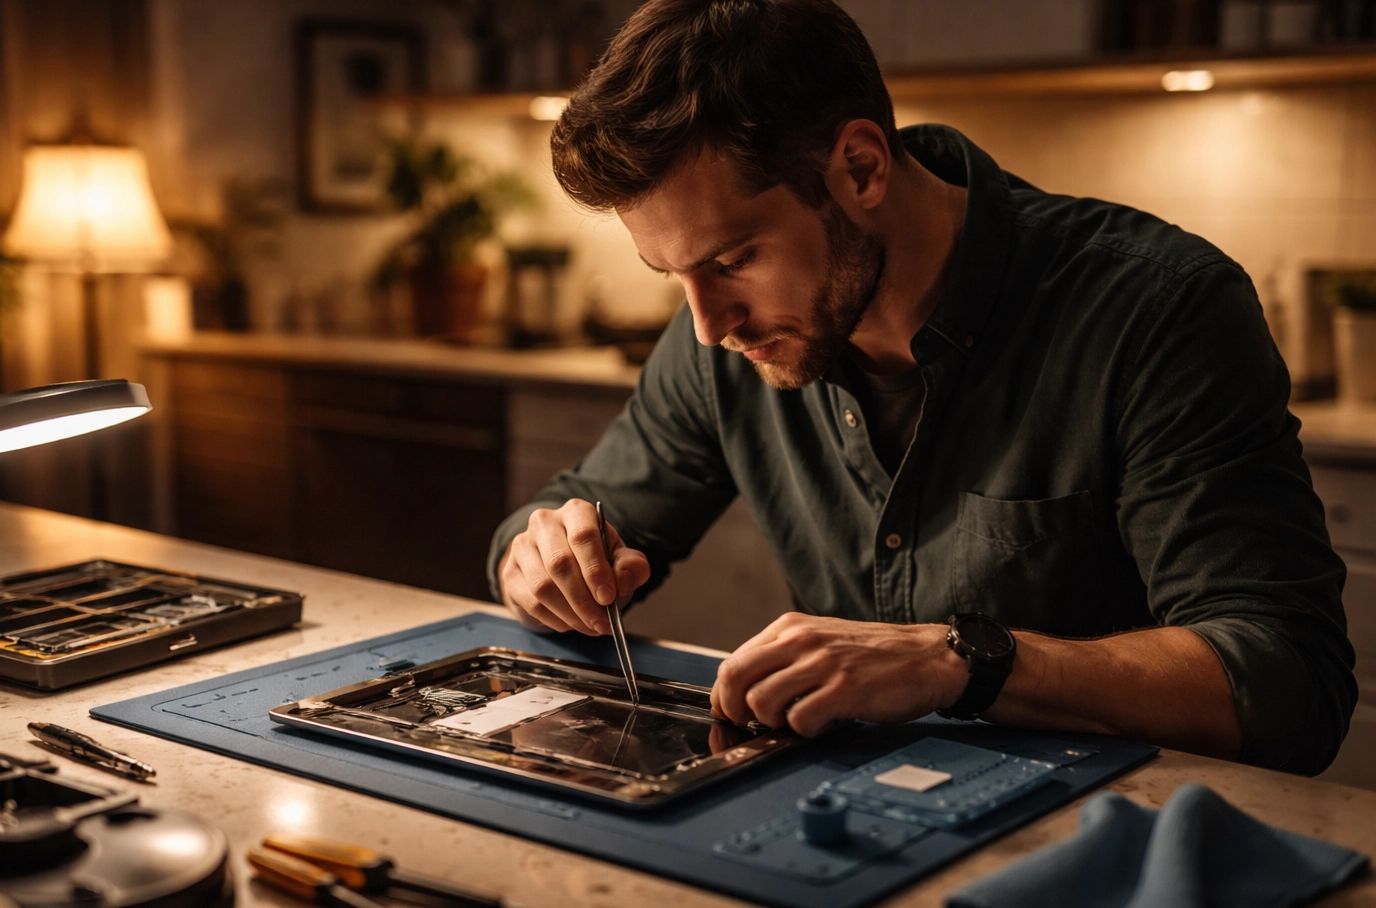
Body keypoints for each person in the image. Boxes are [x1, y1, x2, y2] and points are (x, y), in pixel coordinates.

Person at [487, 0, 1354, 775]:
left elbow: (1286, 683)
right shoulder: (723, 338)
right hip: (853, 836)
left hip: (1123, 853)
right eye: (670, 275)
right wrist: (542, 563)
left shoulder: (1155, 310)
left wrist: (966, 659)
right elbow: (573, 516)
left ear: (860, 169)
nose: (710, 324)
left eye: (733, 260)